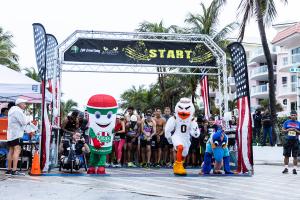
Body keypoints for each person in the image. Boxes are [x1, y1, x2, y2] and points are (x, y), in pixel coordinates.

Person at [5, 98, 30, 176]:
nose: (25, 105)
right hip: (16, 133)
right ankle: (14, 170)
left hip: (10, 134)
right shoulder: (18, 110)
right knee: (17, 150)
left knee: (11, 150)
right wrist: (28, 118)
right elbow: (23, 122)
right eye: (24, 104)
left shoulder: (11, 110)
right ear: (19, 104)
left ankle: (9, 170)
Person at [282, 110, 300, 175]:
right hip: (287, 140)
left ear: (296, 115)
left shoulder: (298, 123)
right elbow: (283, 130)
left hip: (295, 141)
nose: (293, 116)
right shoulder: (286, 122)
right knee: (286, 155)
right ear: (290, 115)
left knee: (295, 156)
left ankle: (294, 169)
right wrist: (288, 130)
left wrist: (296, 130)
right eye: (292, 115)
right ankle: (286, 168)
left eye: (294, 115)